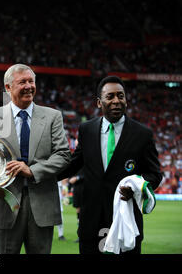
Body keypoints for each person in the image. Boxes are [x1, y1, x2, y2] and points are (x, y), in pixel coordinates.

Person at [58, 75, 163, 254]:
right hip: (91, 221)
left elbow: (155, 174)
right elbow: (73, 165)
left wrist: (136, 187)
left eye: (120, 96)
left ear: (126, 100)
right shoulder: (86, 130)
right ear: (99, 102)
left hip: (126, 222)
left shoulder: (142, 134)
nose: (116, 101)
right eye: (110, 96)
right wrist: (38, 172)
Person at [0, 63, 71, 254]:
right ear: (8, 87)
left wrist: (32, 171)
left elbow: (63, 155)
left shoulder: (53, 116)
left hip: (42, 205)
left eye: (32, 81)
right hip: (5, 204)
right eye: (22, 82)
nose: (29, 86)